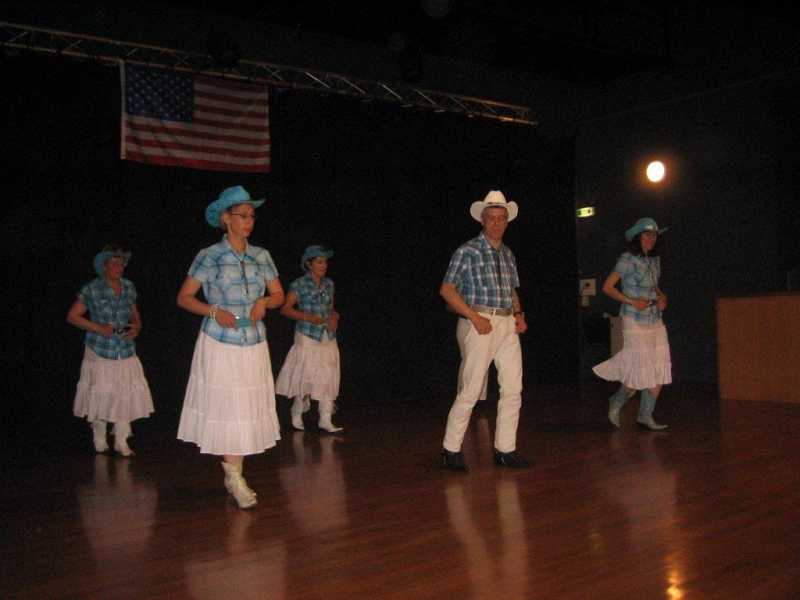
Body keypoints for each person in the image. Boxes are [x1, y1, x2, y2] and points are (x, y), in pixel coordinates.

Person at [176, 185, 285, 509]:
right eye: (243, 215)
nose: (249, 221)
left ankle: (234, 474)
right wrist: (213, 311)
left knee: (244, 406)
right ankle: (235, 477)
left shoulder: (261, 255)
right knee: (227, 407)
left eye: (252, 216)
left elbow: (279, 294)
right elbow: (184, 297)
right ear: (226, 219)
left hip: (253, 341)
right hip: (220, 342)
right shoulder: (209, 256)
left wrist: (265, 301)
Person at [439, 190, 529, 471]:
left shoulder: (508, 254)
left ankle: (505, 449)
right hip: (479, 321)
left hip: (506, 323)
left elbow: (512, 290)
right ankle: (451, 449)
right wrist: (474, 317)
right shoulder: (467, 250)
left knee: (513, 388)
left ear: (507, 221)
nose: (497, 223)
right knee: (471, 388)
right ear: (483, 220)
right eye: (492, 218)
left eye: (502, 218)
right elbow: (447, 290)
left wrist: (519, 314)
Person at [67, 244, 154, 456]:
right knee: (101, 391)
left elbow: (135, 314)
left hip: (123, 347)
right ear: (104, 266)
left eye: (121, 264)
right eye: (114, 264)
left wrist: (137, 327)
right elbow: (73, 316)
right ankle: (99, 438)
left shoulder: (128, 287)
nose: (118, 267)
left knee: (124, 392)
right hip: (100, 348)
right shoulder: (92, 288)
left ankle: (121, 440)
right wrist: (98, 328)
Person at [593, 217, 672, 430]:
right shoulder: (627, 259)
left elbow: (654, 287)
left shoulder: (654, 260)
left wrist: (662, 296)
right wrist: (631, 301)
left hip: (654, 318)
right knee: (637, 369)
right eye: (647, 234)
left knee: (658, 368)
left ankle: (645, 416)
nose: (651, 238)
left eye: (654, 235)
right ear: (638, 237)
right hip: (634, 319)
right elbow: (608, 287)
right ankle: (617, 401)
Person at [276, 245, 343, 433]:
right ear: (309, 264)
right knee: (306, 373)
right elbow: (285, 309)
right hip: (307, 334)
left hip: (327, 334)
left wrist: (334, 317)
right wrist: (308, 317)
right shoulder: (299, 284)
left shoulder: (329, 284)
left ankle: (325, 418)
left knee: (328, 373)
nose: (324, 266)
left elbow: (331, 308)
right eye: (319, 262)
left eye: (325, 262)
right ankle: (297, 411)